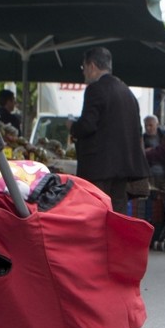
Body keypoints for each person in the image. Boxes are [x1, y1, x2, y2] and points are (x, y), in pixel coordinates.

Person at [70, 46, 150, 214]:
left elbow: (87, 125)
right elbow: (137, 130)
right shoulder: (127, 92)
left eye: (83, 68)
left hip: (99, 167)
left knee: (96, 211)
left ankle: (97, 241)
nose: (84, 73)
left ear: (91, 66)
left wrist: (72, 127)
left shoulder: (95, 89)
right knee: (117, 211)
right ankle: (115, 241)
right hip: (123, 167)